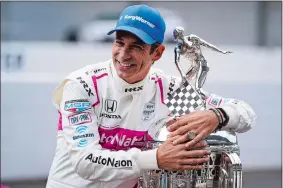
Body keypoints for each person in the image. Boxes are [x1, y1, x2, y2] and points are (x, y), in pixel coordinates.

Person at [46, 4, 256, 188]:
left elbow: (246, 113)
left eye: (136, 46)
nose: (123, 54)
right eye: (120, 42)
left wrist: (217, 116)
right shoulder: (83, 84)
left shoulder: (168, 89)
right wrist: (156, 158)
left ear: (157, 53)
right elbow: (85, 163)